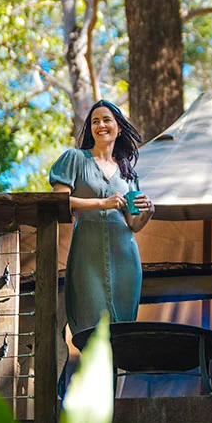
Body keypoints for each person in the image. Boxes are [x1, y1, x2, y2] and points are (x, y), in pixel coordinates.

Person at [50, 101, 153, 345]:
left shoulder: (128, 173)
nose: (100, 125)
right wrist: (100, 203)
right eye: (95, 121)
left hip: (125, 256)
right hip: (87, 253)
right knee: (91, 329)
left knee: (121, 334)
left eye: (106, 120)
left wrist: (149, 212)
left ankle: (114, 382)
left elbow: (133, 223)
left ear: (118, 127)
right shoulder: (74, 159)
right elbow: (57, 200)